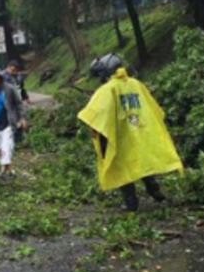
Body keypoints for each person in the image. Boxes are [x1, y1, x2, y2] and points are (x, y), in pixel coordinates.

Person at [77, 53, 182, 212]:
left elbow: (96, 114)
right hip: (139, 131)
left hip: (121, 135)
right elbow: (153, 108)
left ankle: (131, 203)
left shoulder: (108, 89)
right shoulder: (136, 84)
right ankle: (155, 190)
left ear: (106, 73)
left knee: (122, 166)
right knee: (141, 161)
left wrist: (99, 136)